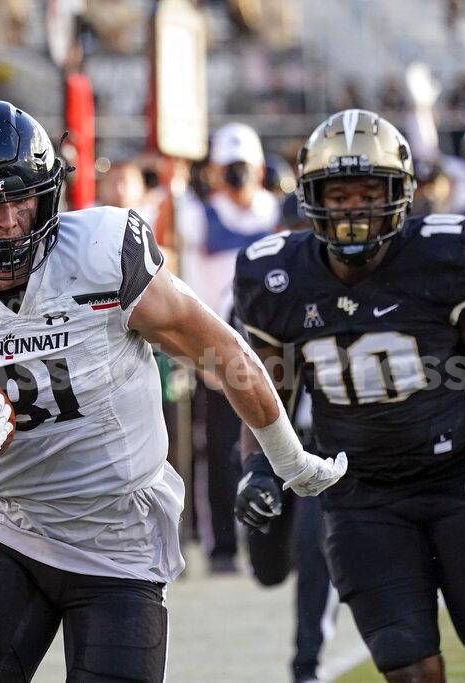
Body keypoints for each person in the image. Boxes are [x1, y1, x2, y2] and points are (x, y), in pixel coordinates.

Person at [0, 100, 347, 682]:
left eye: (20, 198)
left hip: (119, 533)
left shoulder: (102, 251)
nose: (7, 221)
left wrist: (289, 458)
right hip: (10, 525)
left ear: (48, 193)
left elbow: (225, 354)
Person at [233, 109, 465, 682]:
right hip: (360, 494)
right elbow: (264, 397)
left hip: (457, 476)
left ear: (400, 194)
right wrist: (256, 470)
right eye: (340, 192)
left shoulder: (447, 258)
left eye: (369, 191)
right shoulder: (275, 277)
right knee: (409, 665)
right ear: (310, 197)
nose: (354, 207)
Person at [177, 122, 283, 572]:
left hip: (274, 347)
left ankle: (276, 541)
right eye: (230, 168)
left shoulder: (277, 211)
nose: (238, 176)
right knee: (220, 450)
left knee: (279, 439)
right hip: (218, 349)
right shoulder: (199, 214)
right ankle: (223, 546)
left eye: (244, 167)